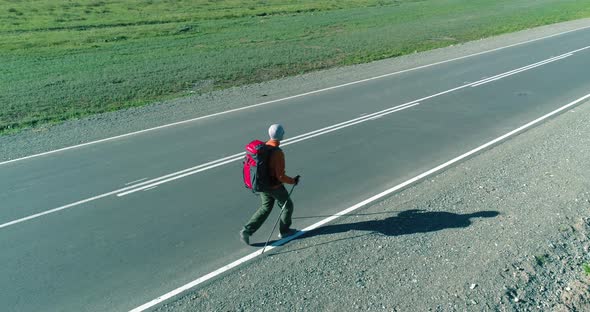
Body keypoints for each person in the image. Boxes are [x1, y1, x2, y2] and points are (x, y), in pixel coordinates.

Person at [240, 124, 300, 245]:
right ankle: (285, 231)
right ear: (281, 136)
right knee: (287, 206)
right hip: (274, 186)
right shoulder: (277, 153)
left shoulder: (263, 148)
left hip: (262, 184)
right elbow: (280, 176)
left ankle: (247, 230)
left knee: (266, 208)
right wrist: (293, 181)